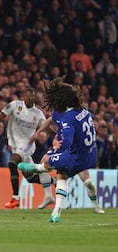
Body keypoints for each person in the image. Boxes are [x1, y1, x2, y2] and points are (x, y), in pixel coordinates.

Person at [18, 77, 99, 222]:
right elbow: (55, 119)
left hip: (75, 156)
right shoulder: (84, 110)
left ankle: (36, 168)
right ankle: (56, 212)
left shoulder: (68, 118)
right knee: (62, 175)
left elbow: (67, 139)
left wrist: (58, 147)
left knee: (49, 164)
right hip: (91, 153)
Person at [0, 87, 55, 209]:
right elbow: (1, 116)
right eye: (27, 95)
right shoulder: (15, 106)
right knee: (31, 178)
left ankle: (15, 198)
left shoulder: (38, 113)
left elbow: (46, 128)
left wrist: (58, 135)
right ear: (23, 96)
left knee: (12, 163)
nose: (29, 98)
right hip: (15, 145)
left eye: (31, 96)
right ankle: (54, 181)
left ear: (34, 98)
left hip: (27, 146)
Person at [28, 115, 104, 215]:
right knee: (43, 162)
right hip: (60, 150)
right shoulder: (60, 114)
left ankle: (96, 206)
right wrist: (54, 143)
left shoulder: (74, 119)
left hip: (75, 154)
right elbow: (51, 124)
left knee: (87, 182)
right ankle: (48, 196)